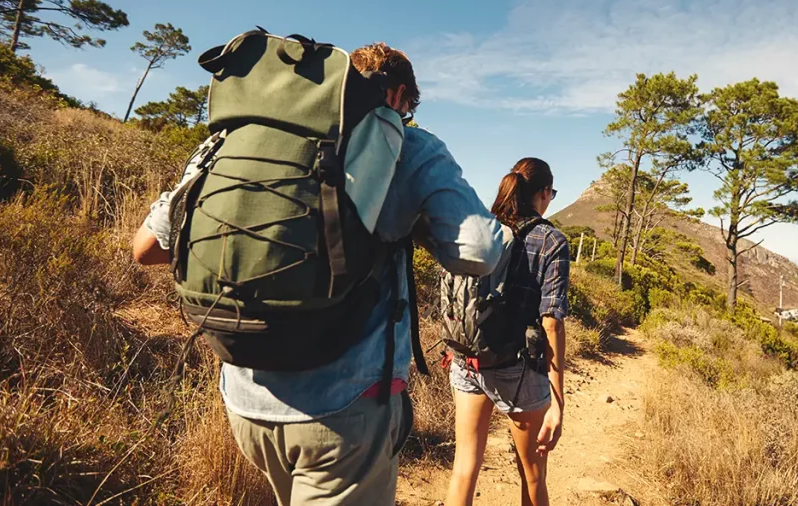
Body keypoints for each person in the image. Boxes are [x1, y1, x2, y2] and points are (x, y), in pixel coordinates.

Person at [131, 42, 504, 506]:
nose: (408, 115)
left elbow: (146, 248)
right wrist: (415, 223)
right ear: (401, 95)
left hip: (244, 398)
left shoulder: (235, 137)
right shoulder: (408, 145)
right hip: (345, 410)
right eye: (411, 106)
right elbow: (480, 252)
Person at [444, 157, 570, 506]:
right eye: (552, 193)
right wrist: (558, 400)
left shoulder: (483, 229)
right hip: (518, 369)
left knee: (464, 466)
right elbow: (552, 321)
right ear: (543, 193)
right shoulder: (551, 240)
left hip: (467, 359)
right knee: (532, 472)